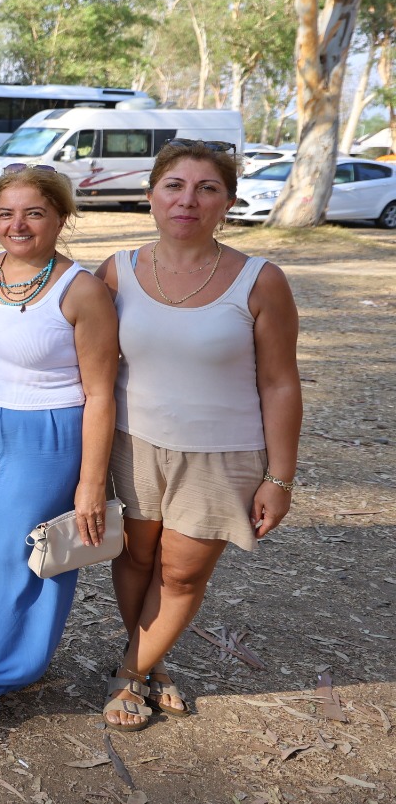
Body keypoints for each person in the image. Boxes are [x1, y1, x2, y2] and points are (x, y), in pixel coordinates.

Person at [96, 141, 300, 731]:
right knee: (136, 557)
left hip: (222, 455)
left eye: (207, 188)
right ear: (151, 195)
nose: (188, 200)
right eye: (174, 186)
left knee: (181, 573)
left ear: (228, 202)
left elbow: (281, 384)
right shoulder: (118, 270)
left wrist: (279, 477)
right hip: (133, 443)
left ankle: (131, 672)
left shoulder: (261, 281)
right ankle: (152, 663)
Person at [0, 165, 118, 749]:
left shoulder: (82, 291)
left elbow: (99, 394)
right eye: (5, 213)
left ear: (61, 217)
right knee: (11, 553)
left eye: (34, 213)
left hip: (47, 431)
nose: (17, 225)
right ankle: (22, 651)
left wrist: (91, 483)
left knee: (10, 558)